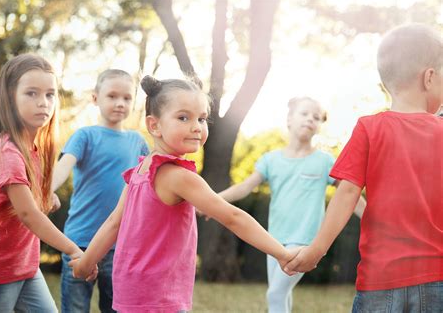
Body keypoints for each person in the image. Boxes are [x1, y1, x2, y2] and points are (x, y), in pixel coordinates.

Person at [70, 75, 299, 313]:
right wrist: (281, 253)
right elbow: (232, 217)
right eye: (183, 117)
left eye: (201, 118)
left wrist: (86, 263)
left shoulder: (141, 170)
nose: (196, 127)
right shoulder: (178, 177)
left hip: (131, 290)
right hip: (160, 297)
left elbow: (113, 223)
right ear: (154, 125)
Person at [284, 23, 443, 312]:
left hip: (380, 280)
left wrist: (316, 250)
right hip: (438, 278)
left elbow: (346, 194)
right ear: (429, 78)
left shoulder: (369, 128)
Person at [0, 53, 93, 312]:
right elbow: (28, 213)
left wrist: (44, 198)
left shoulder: (34, 148)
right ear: (10, 98)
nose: (43, 103)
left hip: (24, 266)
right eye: (31, 93)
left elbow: (23, 202)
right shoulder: (7, 151)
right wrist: (74, 250)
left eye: (50, 94)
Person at [219, 97, 366, 313]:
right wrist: (213, 201)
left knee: (276, 293)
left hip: (305, 241)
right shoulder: (270, 160)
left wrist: (375, 220)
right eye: (304, 114)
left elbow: (349, 195)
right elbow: (244, 187)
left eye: (316, 117)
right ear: (289, 119)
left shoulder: (324, 161)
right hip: (273, 241)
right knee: (281, 295)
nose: (310, 119)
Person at [52, 69, 149, 313]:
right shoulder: (84, 136)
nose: (120, 103)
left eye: (127, 98)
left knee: (116, 308)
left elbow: (153, 183)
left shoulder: (138, 142)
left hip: (121, 244)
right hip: (80, 242)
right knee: (75, 308)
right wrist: (44, 192)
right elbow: (63, 167)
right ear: (95, 98)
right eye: (112, 96)